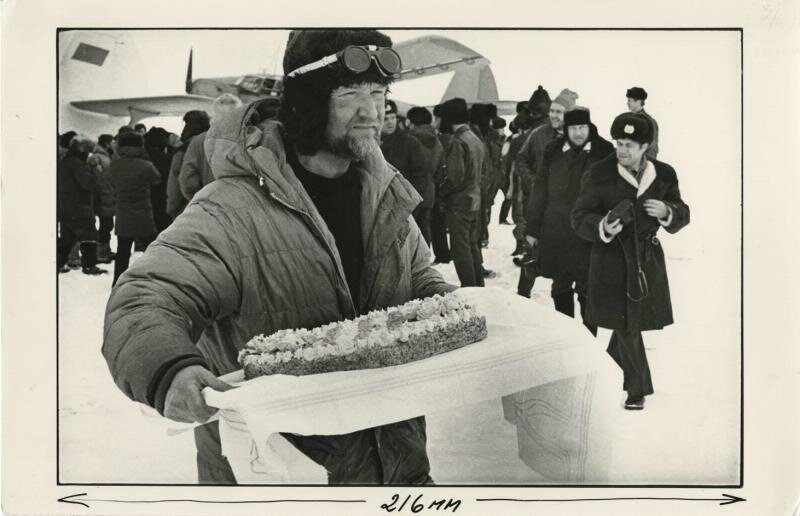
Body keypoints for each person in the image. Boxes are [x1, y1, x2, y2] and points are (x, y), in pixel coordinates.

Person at [103, 29, 455, 485]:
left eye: (378, 92)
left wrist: (458, 311)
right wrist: (170, 369)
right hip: (276, 475)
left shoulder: (384, 193)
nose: (373, 111)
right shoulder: (229, 208)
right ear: (308, 104)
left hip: (395, 466)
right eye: (350, 95)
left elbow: (423, 284)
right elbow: (145, 296)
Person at [571, 112, 689, 410]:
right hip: (611, 259)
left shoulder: (663, 174)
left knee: (626, 320)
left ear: (645, 146)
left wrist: (666, 211)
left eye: (629, 145)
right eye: (618, 143)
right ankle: (638, 388)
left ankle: (603, 370)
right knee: (627, 323)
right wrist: (602, 227)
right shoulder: (599, 172)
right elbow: (579, 216)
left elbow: (683, 211)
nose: (622, 150)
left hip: (646, 260)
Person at [525, 107, 614, 334]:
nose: (577, 133)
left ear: (589, 127)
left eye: (582, 127)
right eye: (573, 128)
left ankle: (588, 338)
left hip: (588, 231)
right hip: (557, 230)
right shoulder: (553, 150)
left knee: (588, 287)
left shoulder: (604, 151)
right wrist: (533, 228)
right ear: (566, 129)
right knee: (560, 284)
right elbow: (540, 190)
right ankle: (565, 335)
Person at [513, 87, 578, 297]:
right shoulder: (539, 134)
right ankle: (522, 297)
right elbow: (521, 159)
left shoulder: (578, 136)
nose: (554, 115)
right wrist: (533, 183)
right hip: (540, 208)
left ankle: (561, 300)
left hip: (566, 210)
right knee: (532, 252)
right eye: (552, 111)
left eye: (559, 112)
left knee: (564, 258)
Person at [436, 97, 485, 287]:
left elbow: (455, 177)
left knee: (460, 249)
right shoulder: (475, 139)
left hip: (459, 203)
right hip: (474, 200)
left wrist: (442, 190)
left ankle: (469, 289)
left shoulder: (458, 141)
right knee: (472, 246)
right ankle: (479, 287)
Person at [108, 132, 161, 286]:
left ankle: (117, 282)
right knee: (151, 249)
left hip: (123, 213)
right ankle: (155, 280)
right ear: (139, 146)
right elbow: (157, 179)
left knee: (122, 251)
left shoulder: (114, 165)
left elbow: (110, 181)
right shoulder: (146, 165)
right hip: (143, 212)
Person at [178, 94, 244, 202]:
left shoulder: (198, 142)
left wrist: (201, 202)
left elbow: (187, 181)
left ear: (214, 116)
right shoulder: (252, 138)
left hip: (212, 207)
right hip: (245, 208)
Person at [57, 135, 107, 275]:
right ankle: (89, 265)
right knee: (89, 236)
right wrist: (94, 171)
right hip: (80, 207)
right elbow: (87, 183)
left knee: (67, 239)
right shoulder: (77, 164)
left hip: (65, 206)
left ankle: (57, 263)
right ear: (82, 149)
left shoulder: (65, 161)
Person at [380, 99, 429, 240]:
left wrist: (410, 206)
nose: (390, 122)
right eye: (385, 118)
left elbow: (420, 177)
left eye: (393, 117)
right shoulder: (373, 144)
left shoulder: (409, 143)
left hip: (406, 207)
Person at [406, 106, 443, 245]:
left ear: (412, 122)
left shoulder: (408, 140)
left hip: (411, 191)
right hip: (430, 192)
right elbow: (440, 171)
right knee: (424, 227)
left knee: (409, 232)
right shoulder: (437, 141)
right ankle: (424, 261)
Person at [166, 110, 210, 219]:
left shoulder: (183, 150)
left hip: (188, 208)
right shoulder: (216, 143)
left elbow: (179, 183)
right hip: (216, 208)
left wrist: (171, 208)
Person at [88, 134, 116, 263]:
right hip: (103, 195)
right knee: (106, 225)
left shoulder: (106, 156)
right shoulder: (98, 157)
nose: (114, 144)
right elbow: (98, 176)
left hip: (107, 194)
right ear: (106, 143)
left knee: (107, 224)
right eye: (112, 141)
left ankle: (105, 251)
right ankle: (101, 253)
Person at [144, 127, 173, 234]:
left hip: (146, 200)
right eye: (166, 138)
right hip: (161, 198)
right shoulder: (164, 158)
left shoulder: (143, 155)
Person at [626, 86, 659, 159]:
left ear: (638, 102)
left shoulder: (649, 121)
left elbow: (652, 149)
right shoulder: (628, 119)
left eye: (629, 100)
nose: (627, 103)